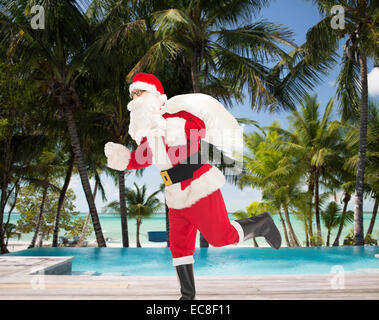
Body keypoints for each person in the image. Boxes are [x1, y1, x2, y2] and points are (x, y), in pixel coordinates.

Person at [104, 72, 282, 300]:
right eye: (133, 94)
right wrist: (123, 159)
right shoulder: (150, 134)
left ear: (155, 95)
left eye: (140, 92)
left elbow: (197, 129)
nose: (135, 98)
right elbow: (143, 157)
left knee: (220, 238)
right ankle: (187, 296)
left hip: (199, 186)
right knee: (179, 247)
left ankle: (262, 224)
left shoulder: (176, 115)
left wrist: (168, 125)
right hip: (174, 195)